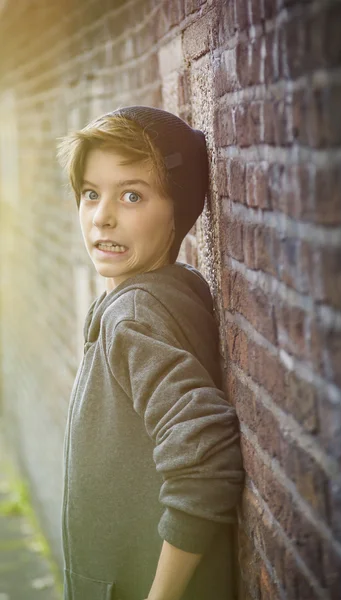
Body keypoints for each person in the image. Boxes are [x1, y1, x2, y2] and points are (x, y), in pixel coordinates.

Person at [57, 105, 245, 600]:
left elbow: (205, 452)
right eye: (91, 194)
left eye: (132, 195)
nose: (103, 216)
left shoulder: (134, 315)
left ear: (176, 212)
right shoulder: (163, 293)